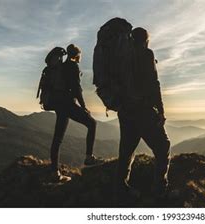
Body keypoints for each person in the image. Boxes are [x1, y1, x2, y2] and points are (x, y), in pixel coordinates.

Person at [117, 27, 171, 198]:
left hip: (125, 111)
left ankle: (121, 189)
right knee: (163, 147)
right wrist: (161, 111)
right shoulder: (146, 54)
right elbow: (154, 84)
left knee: (126, 151)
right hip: (143, 110)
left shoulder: (121, 57)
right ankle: (159, 189)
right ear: (146, 40)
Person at [49, 44, 104, 181]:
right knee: (92, 124)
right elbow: (76, 89)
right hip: (68, 104)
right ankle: (89, 157)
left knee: (58, 138)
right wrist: (84, 106)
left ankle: (55, 172)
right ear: (76, 55)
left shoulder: (61, 66)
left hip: (59, 104)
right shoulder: (73, 66)